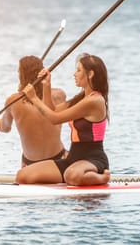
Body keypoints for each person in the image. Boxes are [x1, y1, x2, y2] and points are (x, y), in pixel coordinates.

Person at [16, 53, 110, 186]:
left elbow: (55, 119)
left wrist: (34, 98)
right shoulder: (81, 98)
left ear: (90, 74)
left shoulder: (95, 101)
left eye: (78, 70)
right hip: (72, 159)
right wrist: (46, 85)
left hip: (93, 160)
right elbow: (51, 111)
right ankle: (78, 176)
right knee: (22, 176)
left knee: (71, 175)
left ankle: (102, 178)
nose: (74, 74)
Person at [0, 55, 67, 167]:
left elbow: (6, 128)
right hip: (59, 158)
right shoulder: (60, 95)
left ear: (22, 76)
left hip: (31, 163)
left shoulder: (13, 101)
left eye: (19, 72)